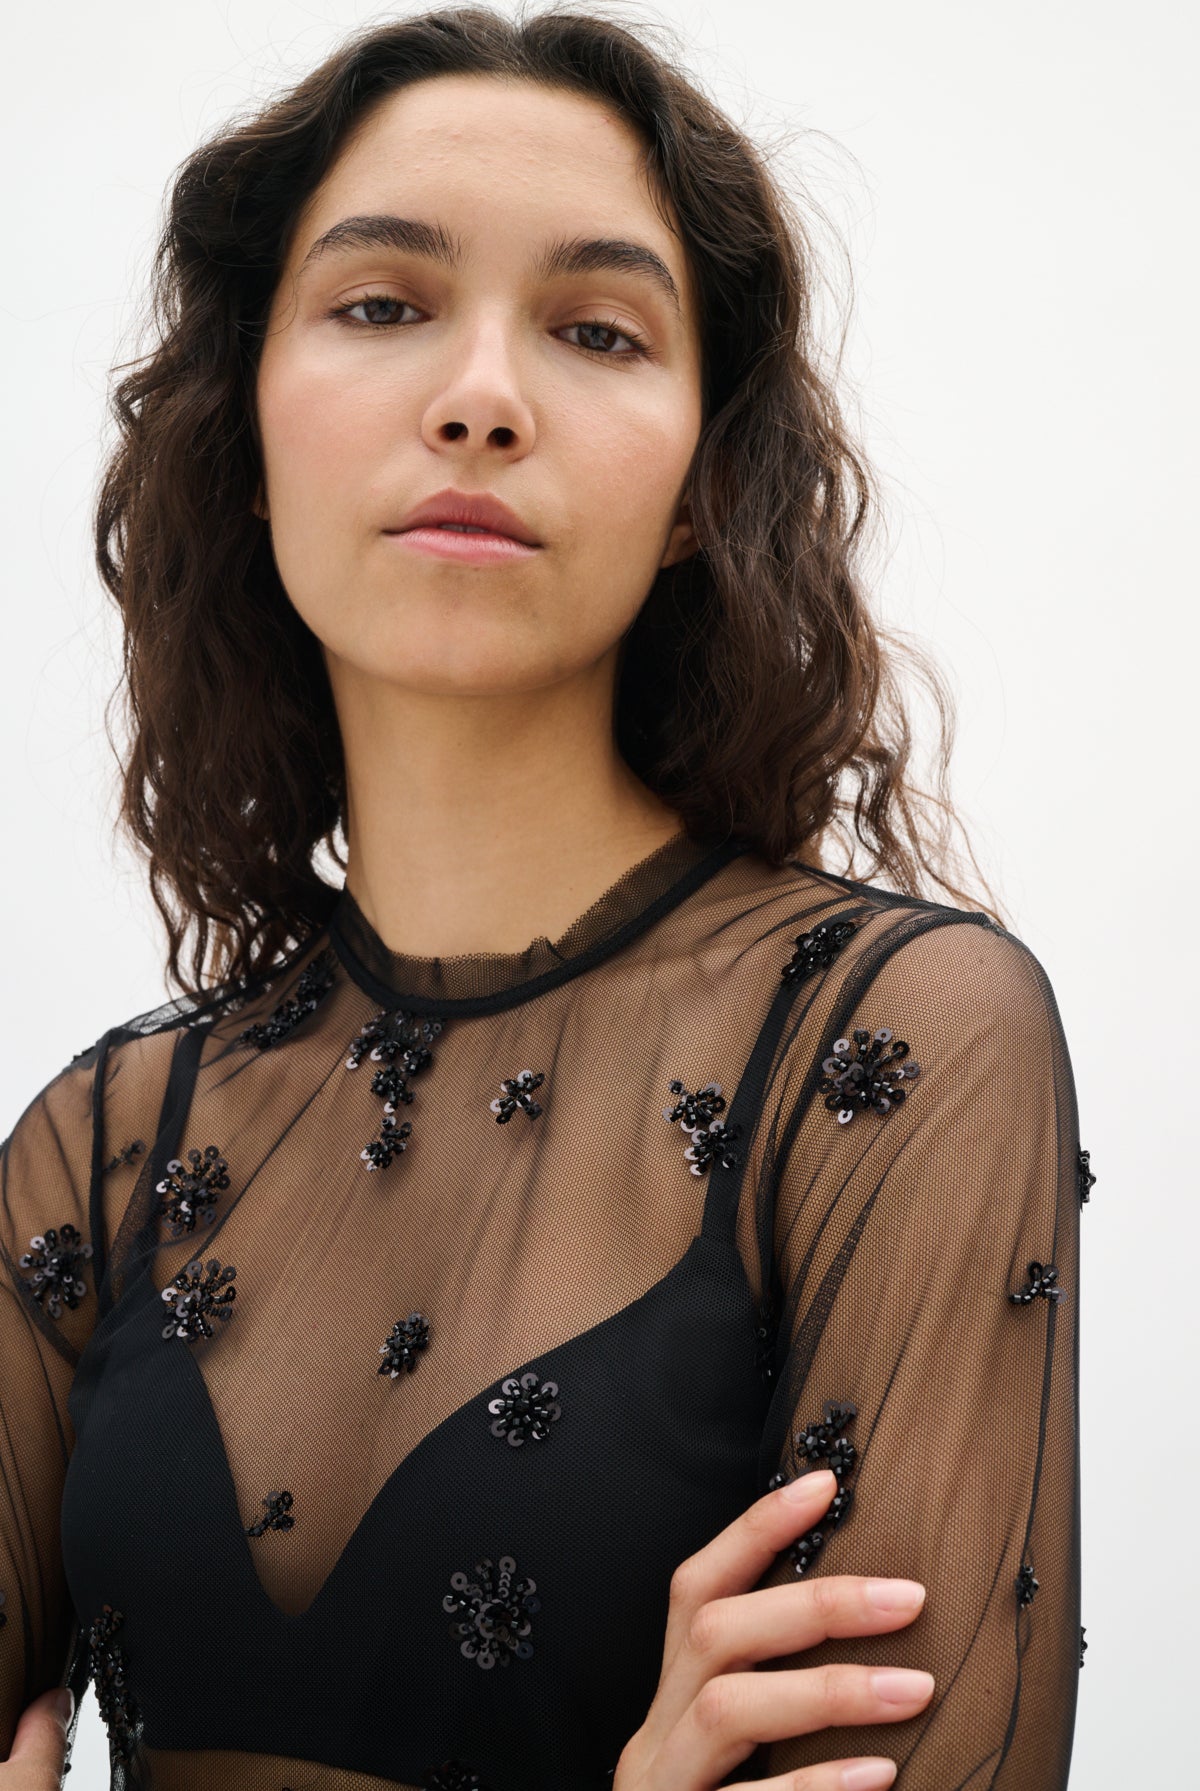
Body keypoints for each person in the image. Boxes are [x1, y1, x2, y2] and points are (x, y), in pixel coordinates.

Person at [0, 7, 1086, 1789]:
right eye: (381, 305)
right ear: (246, 429)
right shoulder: (103, 1148)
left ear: (701, 486)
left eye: (597, 331)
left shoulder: (892, 1047)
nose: (482, 397)